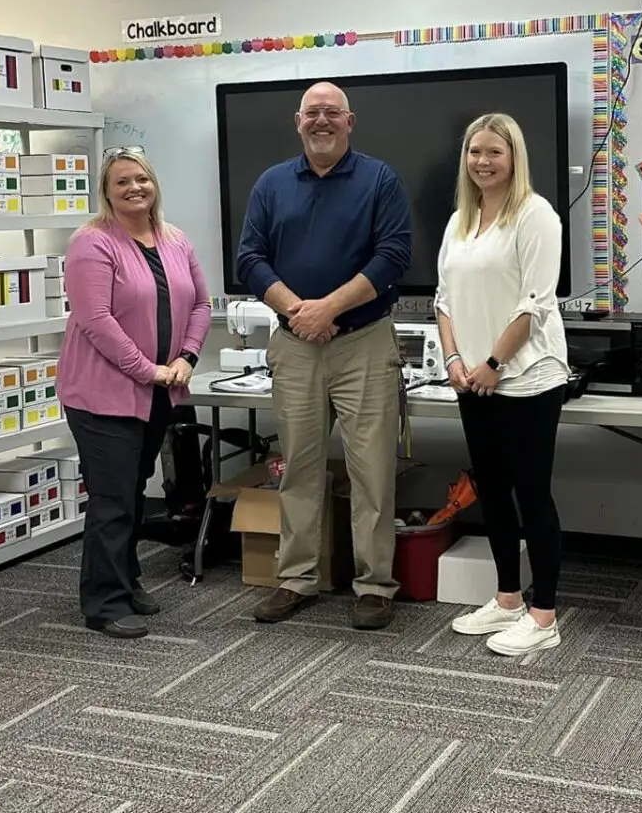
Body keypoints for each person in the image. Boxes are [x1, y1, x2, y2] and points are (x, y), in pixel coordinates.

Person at [235, 81, 411, 630]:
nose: (322, 122)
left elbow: (394, 255)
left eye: (332, 113)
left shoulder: (380, 179)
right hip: (295, 348)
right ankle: (296, 580)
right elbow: (249, 258)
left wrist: (326, 308)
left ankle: (375, 585)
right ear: (297, 121)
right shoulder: (270, 183)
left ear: (350, 121)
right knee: (299, 469)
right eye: (313, 113)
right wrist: (297, 311)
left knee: (373, 473)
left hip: (363, 343)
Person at [60, 147, 211, 639]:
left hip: (159, 392)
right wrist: (148, 369)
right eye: (121, 181)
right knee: (113, 498)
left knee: (133, 489)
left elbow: (202, 304)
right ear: (106, 191)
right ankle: (104, 603)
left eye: (141, 179)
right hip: (102, 394)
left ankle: (125, 581)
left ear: (154, 185)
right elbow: (96, 321)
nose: (134, 188)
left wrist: (187, 357)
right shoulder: (92, 243)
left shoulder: (175, 239)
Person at [432, 113, 568, 657]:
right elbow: (444, 301)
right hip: (472, 377)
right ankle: (508, 597)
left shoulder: (536, 216)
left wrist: (492, 362)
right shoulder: (459, 222)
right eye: (474, 152)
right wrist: (455, 360)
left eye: (494, 152)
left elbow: (534, 303)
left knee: (531, 493)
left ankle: (544, 615)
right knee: (491, 490)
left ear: (514, 158)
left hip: (527, 376)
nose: (482, 162)